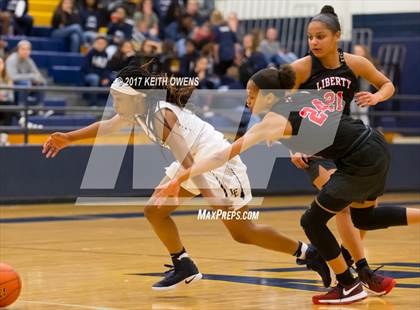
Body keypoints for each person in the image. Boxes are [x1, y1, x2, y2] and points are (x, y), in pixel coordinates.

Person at [42, 62, 331, 291]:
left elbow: (189, 161)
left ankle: (310, 254)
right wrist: (68, 137)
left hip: (216, 165)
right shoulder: (140, 108)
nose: (114, 102)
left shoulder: (160, 115)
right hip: (194, 164)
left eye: (118, 98)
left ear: (136, 97)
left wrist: (211, 197)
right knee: (155, 211)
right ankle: (183, 264)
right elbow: (108, 126)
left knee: (243, 233)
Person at [153, 65, 420, 304]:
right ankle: (356, 275)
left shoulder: (272, 122)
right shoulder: (300, 97)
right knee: (365, 218)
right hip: (373, 144)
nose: (247, 100)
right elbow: (332, 121)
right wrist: (306, 147)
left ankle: (348, 285)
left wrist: (180, 177)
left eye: (252, 94)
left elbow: (223, 155)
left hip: (359, 158)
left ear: (269, 97)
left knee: (312, 221)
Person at [289, 5, 396, 295]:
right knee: (342, 208)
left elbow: (387, 84)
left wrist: (375, 97)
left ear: (337, 36)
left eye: (320, 36)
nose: (314, 42)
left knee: (357, 210)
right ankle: (359, 273)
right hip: (313, 146)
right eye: (310, 37)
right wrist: (294, 145)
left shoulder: (354, 63)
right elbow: (279, 109)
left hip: (344, 143)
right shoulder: (302, 67)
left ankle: (355, 267)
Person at [5, 40, 46, 105]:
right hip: (10, 85)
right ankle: (21, 108)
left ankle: (39, 108)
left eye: (28, 49)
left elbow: (37, 75)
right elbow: (12, 77)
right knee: (24, 83)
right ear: (18, 49)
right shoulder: (12, 59)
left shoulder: (29, 60)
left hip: (26, 84)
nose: (26, 51)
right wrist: (31, 77)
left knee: (41, 83)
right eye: (23, 49)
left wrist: (37, 79)